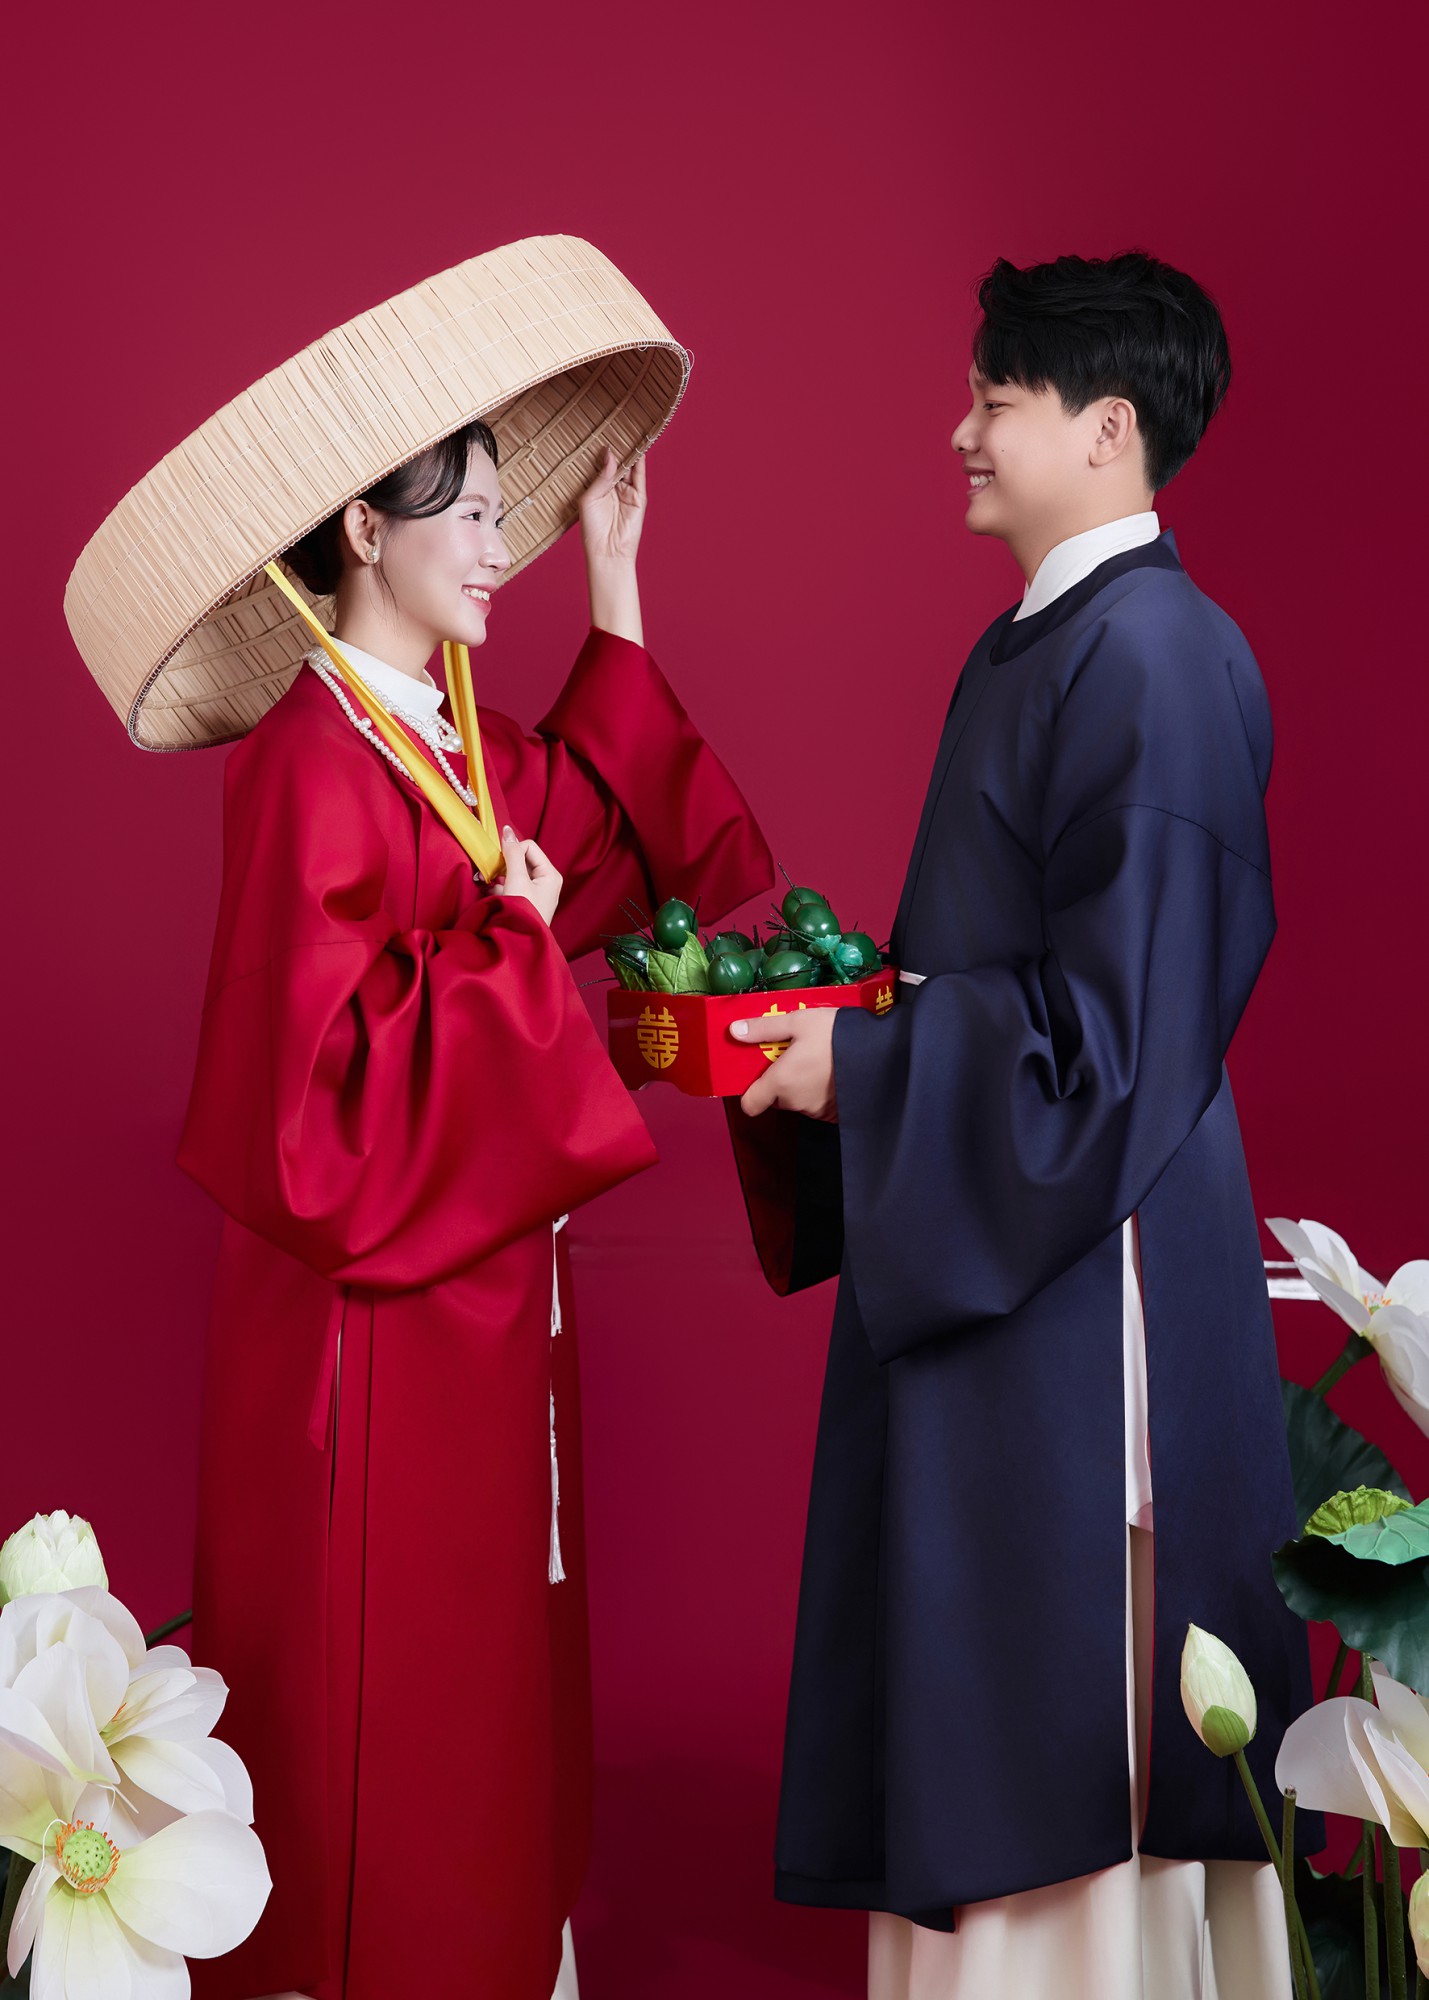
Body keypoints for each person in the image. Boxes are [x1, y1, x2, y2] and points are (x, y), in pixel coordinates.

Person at [725, 251, 1319, 1998]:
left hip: (1088, 1254)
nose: (960, 433)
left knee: (1069, 1684)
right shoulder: (1049, 640)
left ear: (1106, 428)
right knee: (986, 1661)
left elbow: (1124, 1038)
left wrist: (873, 1070)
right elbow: (1014, 981)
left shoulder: (1154, 654)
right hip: (1018, 1229)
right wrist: (860, 1031)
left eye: (993, 399)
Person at [174, 415, 770, 2000]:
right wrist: (514, 948)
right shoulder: (306, 758)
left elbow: (609, 834)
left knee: (494, 1668)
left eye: (515, 518)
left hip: (485, 1294)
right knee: (390, 1681)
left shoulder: (457, 740)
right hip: (366, 1323)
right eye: (476, 518)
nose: (507, 551)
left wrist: (616, 578)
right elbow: (313, 1098)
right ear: (365, 529)